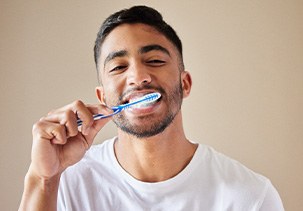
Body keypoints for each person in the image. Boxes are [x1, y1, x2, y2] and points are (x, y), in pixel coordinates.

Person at [19, 5, 284, 211]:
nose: (138, 76)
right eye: (119, 67)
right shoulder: (65, 183)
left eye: (155, 60)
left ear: (185, 84)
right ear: (102, 97)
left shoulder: (251, 197)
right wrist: (43, 179)